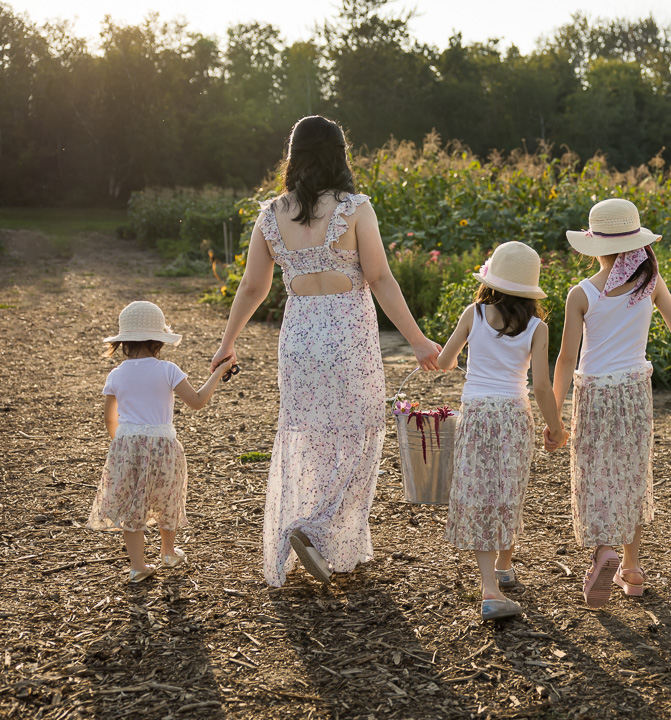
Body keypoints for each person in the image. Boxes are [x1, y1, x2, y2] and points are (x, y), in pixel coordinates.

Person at [211, 115, 441, 587]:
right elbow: (379, 279)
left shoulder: (271, 213)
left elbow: (254, 286)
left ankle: (313, 529)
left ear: (292, 156)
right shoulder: (354, 208)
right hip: (348, 338)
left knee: (309, 436)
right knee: (359, 434)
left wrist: (227, 342)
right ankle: (315, 529)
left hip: (299, 340)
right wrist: (418, 341)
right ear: (340, 154)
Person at [551, 198, 671, 608]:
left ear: (595, 245)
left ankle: (602, 554)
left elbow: (564, 359)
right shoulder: (651, 282)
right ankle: (632, 568)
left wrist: (554, 414)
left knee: (595, 476)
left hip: (594, 395)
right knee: (631, 475)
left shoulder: (582, 294)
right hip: (633, 392)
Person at [435, 241, 565, 621]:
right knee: (508, 489)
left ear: (490, 280)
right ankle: (493, 587)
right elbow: (541, 386)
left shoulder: (473, 314)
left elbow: (445, 362)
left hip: (476, 412)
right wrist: (555, 426)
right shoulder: (537, 327)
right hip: (513, 413)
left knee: (480, 491)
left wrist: (448, 355)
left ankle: (497, 576)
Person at [90, 301, 231, 583]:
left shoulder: (116, 374)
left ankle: (138, 567)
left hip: (127, 446)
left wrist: (120, 444)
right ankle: (168, 552)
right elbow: (198, 402)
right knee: (168, 498)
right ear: (158, 341)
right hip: (163, 445)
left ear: (124, 342)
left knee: (133, 505)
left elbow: (109, 418)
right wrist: (219, 372)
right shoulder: (168, 370)